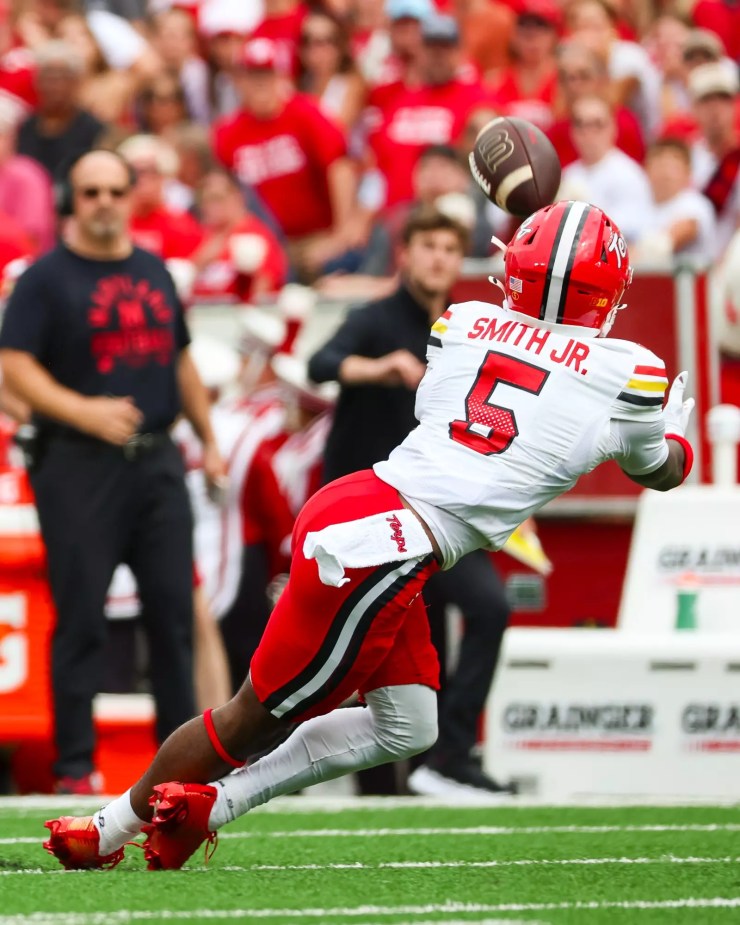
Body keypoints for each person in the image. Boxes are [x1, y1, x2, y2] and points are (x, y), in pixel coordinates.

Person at [43, 199, 694, 869]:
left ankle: (212, 806)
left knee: (410, 722)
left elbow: (450, 412)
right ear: (607, 291)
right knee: (251, 715)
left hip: (366, 510)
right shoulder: (633, 373)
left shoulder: (462, 322)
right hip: (386, 543)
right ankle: (105, 827)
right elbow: (659, 469)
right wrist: (670, 432)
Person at [0, 149, 225, 795]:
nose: (103, 202)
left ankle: (179, 778)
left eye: (114, 191)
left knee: (172, 618)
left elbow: (180, 361)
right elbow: (13, 365)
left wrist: (208, 439)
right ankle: (75, 770)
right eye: (91, 192)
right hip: (76, 463)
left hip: (155, 458)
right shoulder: (45, 279)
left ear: (132, 196)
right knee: (81, 618)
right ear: (73, 199)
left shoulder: (153, 269)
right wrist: (84, 411)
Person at [309, 206, 512, 796]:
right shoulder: (375, 319)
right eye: (428, 246)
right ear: (405, 253)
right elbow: (319, 363)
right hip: (371, 513)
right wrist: (377, 369)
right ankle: (378, 788)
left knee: (488, 608)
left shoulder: (469, 331)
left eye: (450, 248)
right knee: (376, 645)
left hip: (439, 511)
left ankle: (448, 757)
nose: (439, 258)